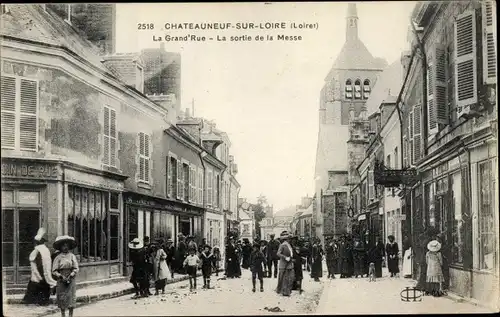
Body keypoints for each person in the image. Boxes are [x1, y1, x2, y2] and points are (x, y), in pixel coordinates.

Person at [23, 228, 57, 306]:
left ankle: (34, 301)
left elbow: (35, 264)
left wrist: (38, 273)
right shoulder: (45, 250)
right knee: (41, 285)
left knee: (36, 284)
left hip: (39, 272)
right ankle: (41, 301)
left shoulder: (37, 250)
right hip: (43, 272)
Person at [52, 235, 79, 317]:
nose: (65, 247)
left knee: (71, 297)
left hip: (71, 279)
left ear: (69, 246)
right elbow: (54, 271)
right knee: (62, 297)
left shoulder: (72, 256)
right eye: (63, 246)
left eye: (67, 245)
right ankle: (63, 314)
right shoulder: (58, 257)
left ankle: (71, 315)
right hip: (61, 279)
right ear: (60, 247)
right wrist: (60, 276)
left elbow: (76, 268)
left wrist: (71, 274)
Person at [275, 231, 295, 296]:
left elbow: (291, 254)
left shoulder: (289, 245)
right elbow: (278, 253)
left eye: (290, 239)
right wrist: (285, 257)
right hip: (284, 264)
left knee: (290, 278)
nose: (290, 240)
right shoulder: (283, 245)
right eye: (289, 239)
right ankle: (284, 291)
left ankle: (288, 291)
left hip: (289, 264)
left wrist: (292, 259)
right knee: (284, 278)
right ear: (286, 239)